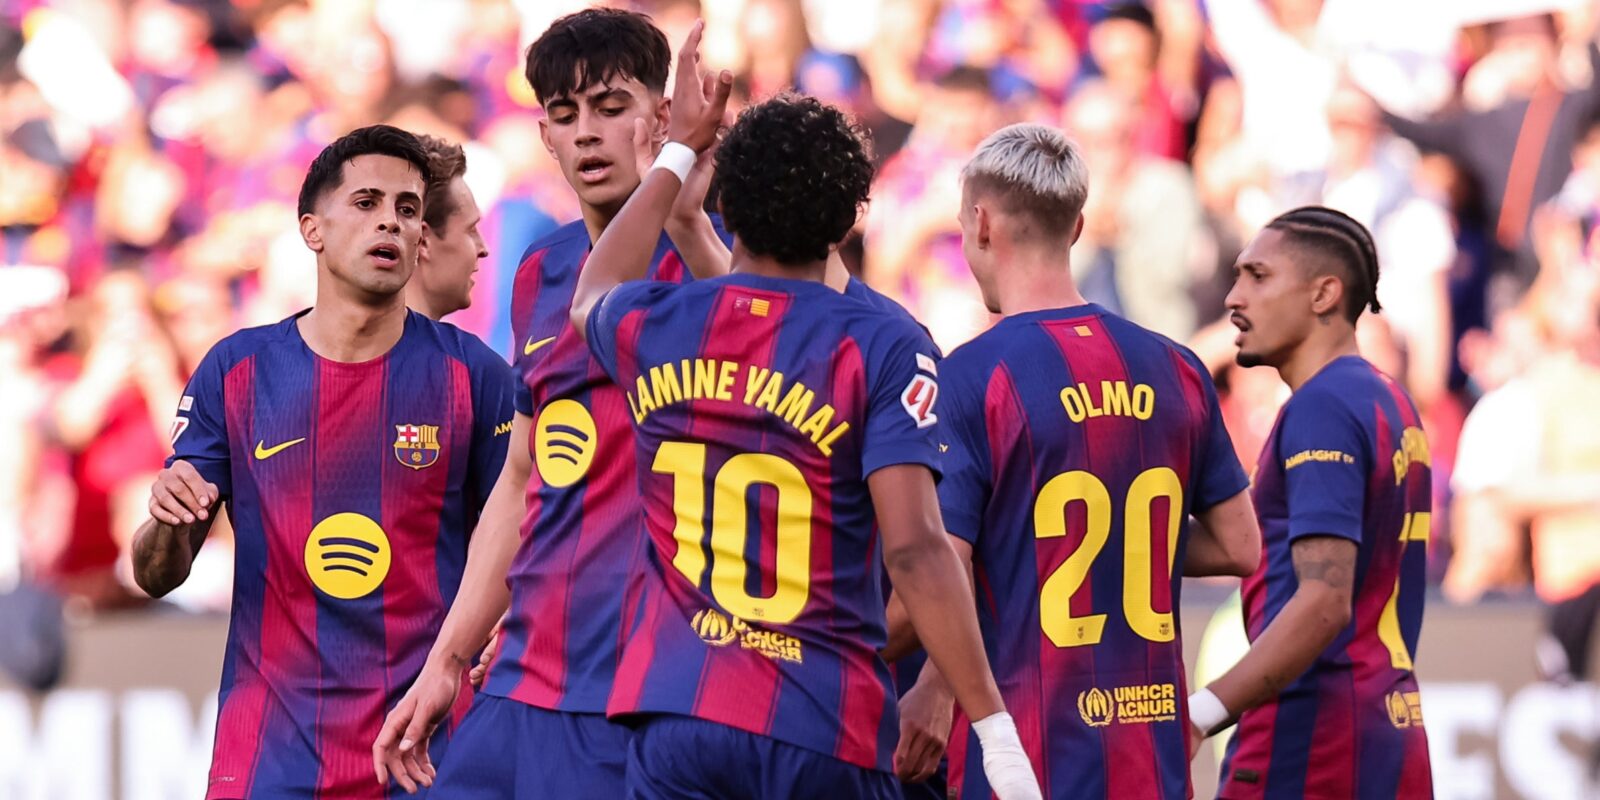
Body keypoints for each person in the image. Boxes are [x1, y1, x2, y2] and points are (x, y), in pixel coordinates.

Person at [566, 22, 1041, 800]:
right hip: (820, 720)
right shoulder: (885, 344)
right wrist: (992, 727)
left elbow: (591, 296)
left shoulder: (660, 322)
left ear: (731, 208)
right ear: (851, 216)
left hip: (677, 710)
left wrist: (678, 154)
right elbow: (919, 552)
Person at [372, 10, 727, 798]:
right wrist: (447, 660)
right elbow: (520, 479)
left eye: (610, 107)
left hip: (656, 693)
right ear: (545, 138)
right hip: (530, 677)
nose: (589, 135)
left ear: (663, 119)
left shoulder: (726, 262)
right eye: (566, 117)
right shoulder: (541, 270)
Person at [131, 124, 516, 799]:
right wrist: (166, 517)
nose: (390, 223)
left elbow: (520, 544)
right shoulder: (237, 370)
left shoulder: (474, 378)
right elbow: (158, 572)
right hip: (272, 759)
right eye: (367, 203)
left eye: (407, 209)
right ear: (312, 228)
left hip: (427, 754)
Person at [889, 122, 1260, 800]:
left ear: (980, 223)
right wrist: (1124, 541)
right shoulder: (1176, 367)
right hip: (1150, 755)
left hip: (1026, 758)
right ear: (1080, 226)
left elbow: (944, 566)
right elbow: (1240, 544)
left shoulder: (974, 376)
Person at [1190, 206, 1433, 798]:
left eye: (1258, 276)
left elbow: (1324, 602)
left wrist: (1199, 714)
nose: (1232, 297)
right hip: (1389, 726)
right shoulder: (1388, 400)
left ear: (1325, 293)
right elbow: (1244, 543)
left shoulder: (1321, 408)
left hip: (1313, 737)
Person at [406, 134, 488, 321]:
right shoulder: (467, 351)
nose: (483, 249)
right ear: (422, 241)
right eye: (471, 230)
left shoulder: (334, 345)